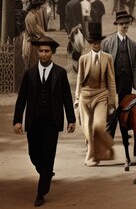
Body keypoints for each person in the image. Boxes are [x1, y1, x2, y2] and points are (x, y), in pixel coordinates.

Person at [13, 36, 76, 207]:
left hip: (51, 121)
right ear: (37, 52)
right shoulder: (29, 73)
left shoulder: (60, 73)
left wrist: (71, 119)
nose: (44, 54)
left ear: (52, 53)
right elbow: (22, 99)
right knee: (33, 154)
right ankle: (46, 172)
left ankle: (41, 193)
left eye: (47, 51)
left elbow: (66, 99)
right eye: (41, 51)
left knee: (48, 155)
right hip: (33, 120)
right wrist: (17, 121)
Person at [74, 23, 116, 166]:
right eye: (93, 42)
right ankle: (92, 153)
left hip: (101, 95)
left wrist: (112, 102)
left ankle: (92, 153)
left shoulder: (107, 58)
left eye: (98, 42)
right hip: (85, 96)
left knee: (98, 127)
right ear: (90, 43)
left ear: (101, 43)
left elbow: (111, 80)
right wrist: (77, 98)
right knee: (87, 127)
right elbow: (79, 79)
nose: (96, 45)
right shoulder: (83, 59)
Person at [100, 10, 136, 138]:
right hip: (112, 80)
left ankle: (125, 131)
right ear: (117, 25)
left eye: (126, 24)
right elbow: (102, 64)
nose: (124, 26)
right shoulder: (107, 43)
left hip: (126, 80)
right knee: (112, 106)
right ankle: (109, 134)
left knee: (125, 105)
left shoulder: (134, 46)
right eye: (122, 24)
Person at [24, 0, 47, 68]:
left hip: (31, 39)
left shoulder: (29, 15)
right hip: (34, 40)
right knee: (34, 60)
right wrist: (42, 33)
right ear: (37, 8)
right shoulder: (32, 16)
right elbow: (35, 29)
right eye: (39, 8)